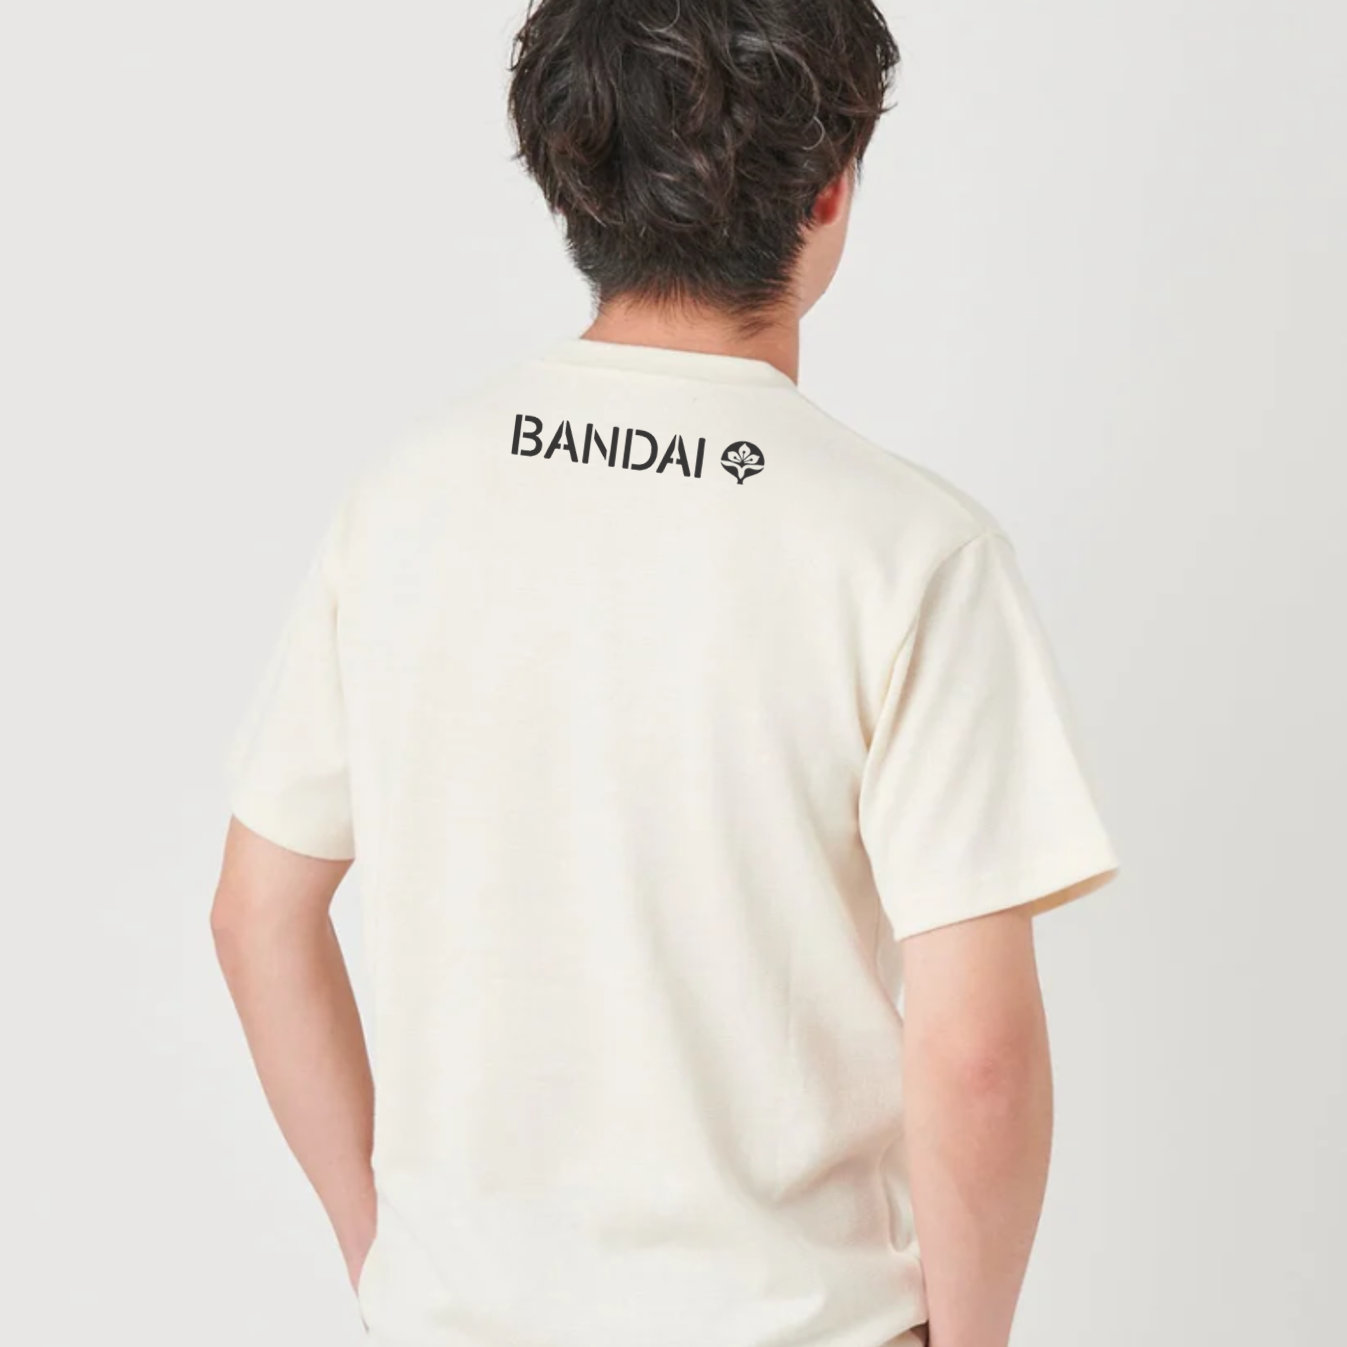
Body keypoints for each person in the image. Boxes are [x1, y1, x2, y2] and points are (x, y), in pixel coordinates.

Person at [210, 2, 1122, 1345]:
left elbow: (257, 914)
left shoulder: (404, 501)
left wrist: (384, 1251)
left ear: (569, 178)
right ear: (830, 187)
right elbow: (976, 1055)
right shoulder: (912, 554)